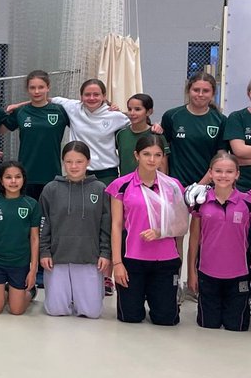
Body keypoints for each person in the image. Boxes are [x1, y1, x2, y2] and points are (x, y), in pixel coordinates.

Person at [108, 133, 186, 326]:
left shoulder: (173, 186)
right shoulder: (121, 185)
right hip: (133, 259)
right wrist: (117, 263)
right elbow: (116, 226)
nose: (152, 160)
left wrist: (161, 232)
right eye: (146, 154)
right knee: (130, 317)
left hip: (165, 259)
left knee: (166, 319)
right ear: (136, 155)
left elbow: (181, 224)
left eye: (158, 155)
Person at [38, 142, 111, 319]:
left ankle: (82, 295)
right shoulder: (51, 189)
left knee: (92, 313)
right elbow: (43, 222)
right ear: (63, 162)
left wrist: (105, 253)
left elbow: (106, 224)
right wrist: (44, 251)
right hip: (58, 257)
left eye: (79, 161)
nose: (74, 166)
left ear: (88, 162)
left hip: (88, 256)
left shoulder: (100, 189)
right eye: (69, 161)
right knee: (56, 311)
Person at [187, 151, 251, 331]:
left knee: (236, 327)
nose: (224, 176)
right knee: (209, 326)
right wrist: (192, 272)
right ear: (211, 173)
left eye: (229, 171)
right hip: (208, 275)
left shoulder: (247, 203)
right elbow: (194, 240)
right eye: (219, 171)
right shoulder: (200, 202)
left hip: (239, 275)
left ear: (237, 174)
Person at [0, 161, 41, 316]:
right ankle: (5, 292)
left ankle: (29, 293)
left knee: (16, 311)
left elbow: (34, 238)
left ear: (23, 179)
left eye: (17, 177)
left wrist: (33, 269)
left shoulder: (31, 204)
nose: (13, 181)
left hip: (20, 263)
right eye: (8, 177)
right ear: (1, 180)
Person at [3, 70, 69, 201]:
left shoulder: (59, 111)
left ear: (48, 87)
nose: (37, 91)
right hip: (27, 175)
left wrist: (109, 105)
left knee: (49, 218)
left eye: (41, 87)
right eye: (32, 88)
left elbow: (86, 109)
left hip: (52, 175)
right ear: (27, 90)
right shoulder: (21, 112)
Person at [161, 72, 226, 189]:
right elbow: (163, 152)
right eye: (196, 90)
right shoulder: (172, 116)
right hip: (176, 186)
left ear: (213, 94)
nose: (200, 94)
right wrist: (166, 181)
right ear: (188, 91)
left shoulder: (221, 120)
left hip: (207, 186)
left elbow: (220, 157)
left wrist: (199, 186)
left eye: (206, 91)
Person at [116, 93, 167, 177]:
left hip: (149, 185)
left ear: (149, 112)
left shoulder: (157, 135)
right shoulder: (121, 134)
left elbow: (163, 168)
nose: (132, 113)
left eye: (137, 109)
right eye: (129, 109)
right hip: (126, 185)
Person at [221, 79, 251, 191]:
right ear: (249, 93)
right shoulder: (237, 117)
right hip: (243, 185)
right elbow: (239, 150)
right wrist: (241, 156)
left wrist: (245, 159)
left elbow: (242, 157)